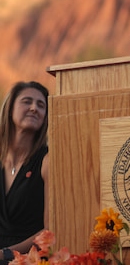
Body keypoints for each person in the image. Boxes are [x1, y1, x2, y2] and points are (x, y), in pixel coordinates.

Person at [0, 81, 49, 263]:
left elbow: (50, 230)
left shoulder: (47, 161)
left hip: (30, 260)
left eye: (41, 105)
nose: (34, 108)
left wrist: (6, 253)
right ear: (10, 108)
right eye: (27, 101)